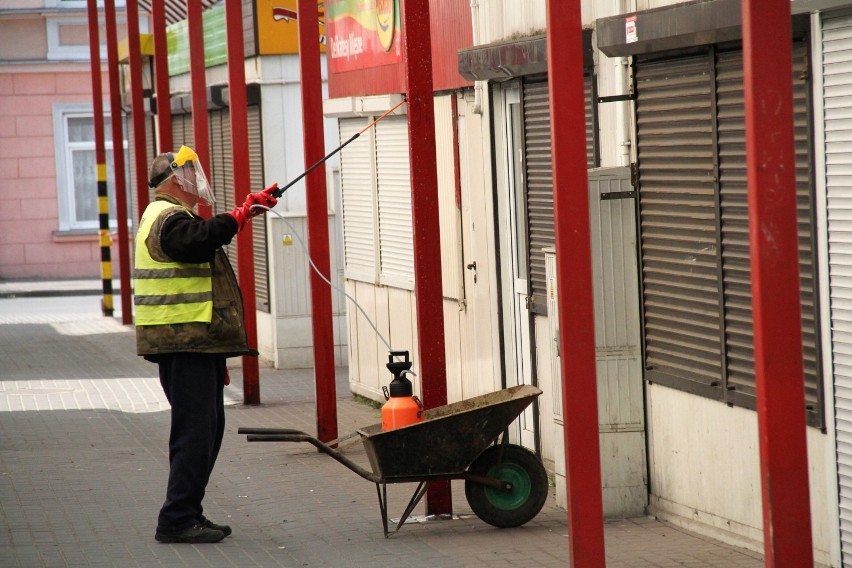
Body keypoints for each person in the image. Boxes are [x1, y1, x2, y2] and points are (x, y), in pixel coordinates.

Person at [134, 146, 278, 544]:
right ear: (175, 180)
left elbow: (200, 242)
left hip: (196, 344)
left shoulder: (172, 216)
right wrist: (240, 214)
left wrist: (242, 213)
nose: (199, 178)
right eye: (191, 172)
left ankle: (188, 512)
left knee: (208, 431)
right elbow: (196, 240)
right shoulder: (167, 218)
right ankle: (176, 518)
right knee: (194, 433)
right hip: (183, 344)